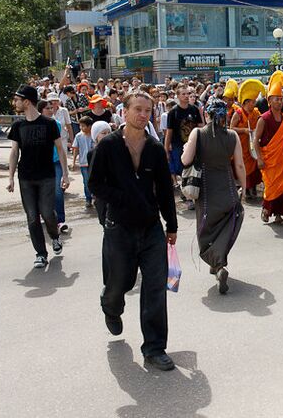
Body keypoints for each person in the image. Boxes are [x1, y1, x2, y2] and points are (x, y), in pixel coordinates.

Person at [88, 90, 178, 371]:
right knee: (120, 284)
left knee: (154, 288)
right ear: (123, 112)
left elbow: (165, 189)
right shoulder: (108, 146)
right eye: (137, 109)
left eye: (147, 110)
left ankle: (154, 348)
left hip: (151, 228)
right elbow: (95, 185)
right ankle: (110, 305)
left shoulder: (153, 149)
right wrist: (124, 197)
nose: (143, 115)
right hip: (120, 228)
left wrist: (171, 225)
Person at [182, 100, 246, 294]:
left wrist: (186, 148)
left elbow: (185, 160)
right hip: (227, 189)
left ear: (206, 114)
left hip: (206, 193)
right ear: (224, 115)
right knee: (226, 227)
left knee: (206, 230)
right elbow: (240, 166)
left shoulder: (197, 133)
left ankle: (218, 266)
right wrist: (244, 187)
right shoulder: (232, 135)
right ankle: (218, 264)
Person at [7, 85, 69, 268]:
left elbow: (60, 148)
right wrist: (10, 177)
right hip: (25, 177)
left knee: (47, 213)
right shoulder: (18, 125)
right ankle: (41, 253)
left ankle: (55, 237)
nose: (15, 102)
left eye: (17, 99)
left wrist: (65, 174)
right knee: (32, 217)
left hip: (47, 176)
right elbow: (13, 151)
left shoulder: (49, 124)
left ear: (27, 101)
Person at [254, 71, 283, 225]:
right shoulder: (264, 118)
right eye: (275, 99)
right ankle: (266, 209)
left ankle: (279, 215)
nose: (279, 102)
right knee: (271, 186)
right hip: (269, 158)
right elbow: (255, 140)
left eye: (280, 99)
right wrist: (259, 158)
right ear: (269, 101)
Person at [165, 86, 204, 195]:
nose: (186, 96)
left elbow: (200, 126)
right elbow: (169, 132)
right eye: (184, 94)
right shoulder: (173, 112)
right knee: (181, 169)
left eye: (188, 94)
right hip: (178, 145)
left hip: (193, 144)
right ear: (178, 96)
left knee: (194, 167)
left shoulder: (194, 109)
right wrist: (166, 149)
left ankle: (194, 190)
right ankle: (185, 192)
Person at [39, 99, 69, 233]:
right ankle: (43, 215)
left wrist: (65, 172)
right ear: (40, 110)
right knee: (41, 192)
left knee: (57, 191)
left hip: (55, 161)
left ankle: (60, 220)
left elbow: (60, 147)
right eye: (48, 108)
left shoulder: (56, 124)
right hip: (41, 163)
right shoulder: (35, 125)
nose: (51, 110)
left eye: (52, 108)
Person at [231, 79, 264, 199]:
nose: (254, 104)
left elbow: (261, 122)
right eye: (252, 102)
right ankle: (247, 189)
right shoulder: (238, 113)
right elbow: (231, 128)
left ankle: (253, 187)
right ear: (246, 102)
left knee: (255, 165)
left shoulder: (256, 112)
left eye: (254, 101)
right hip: (243, 144)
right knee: (245, 166)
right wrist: (244, 130)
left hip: (254, 143)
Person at [72, 116, 95, 209]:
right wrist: (73, 162)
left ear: (90, 126)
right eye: (80, 126)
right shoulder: (78, 136)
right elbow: (76, 149)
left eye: (83, 126)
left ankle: (96, 196)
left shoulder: (94, 135)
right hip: (83, 163)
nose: (81, 128)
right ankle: (88, 199)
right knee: (86, 182)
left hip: (94, 162)